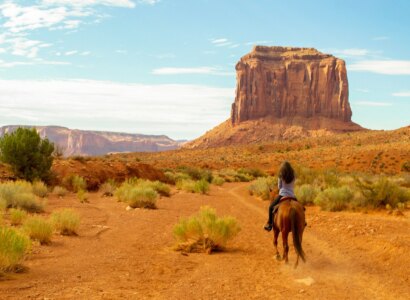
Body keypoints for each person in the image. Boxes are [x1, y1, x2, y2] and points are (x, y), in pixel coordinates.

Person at [264, 161, 296, 231]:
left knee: (271, 207)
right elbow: (293, 184)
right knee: (301, 208)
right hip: (292, 195)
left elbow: (279, 187)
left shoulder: (281, 175)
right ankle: (303, 222)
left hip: (282, 195)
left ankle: (270, 224)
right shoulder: (293, 175)